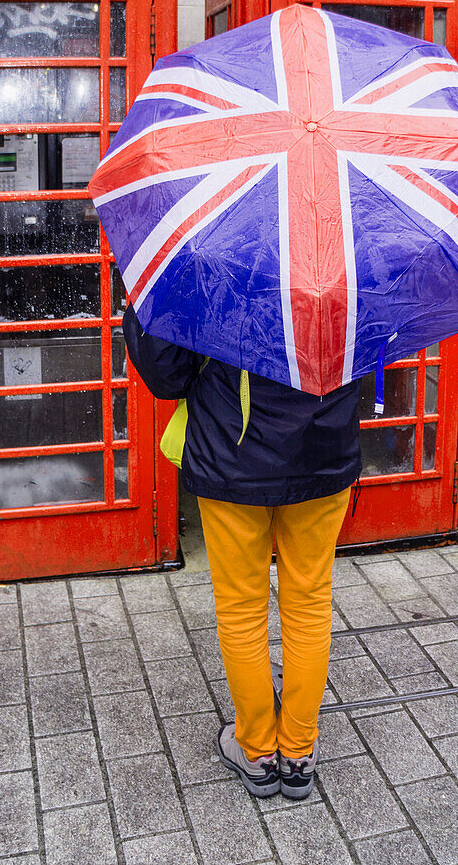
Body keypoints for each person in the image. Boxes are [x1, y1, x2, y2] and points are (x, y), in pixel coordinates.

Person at [124, 304, 362, 800]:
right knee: (310, 600)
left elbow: (166, 375)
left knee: (241, 606)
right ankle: (298, 752)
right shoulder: (350, 252)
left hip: (232, 456)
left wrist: (141, 303)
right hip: (324, 450)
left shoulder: (216, 257)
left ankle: (256, 749)